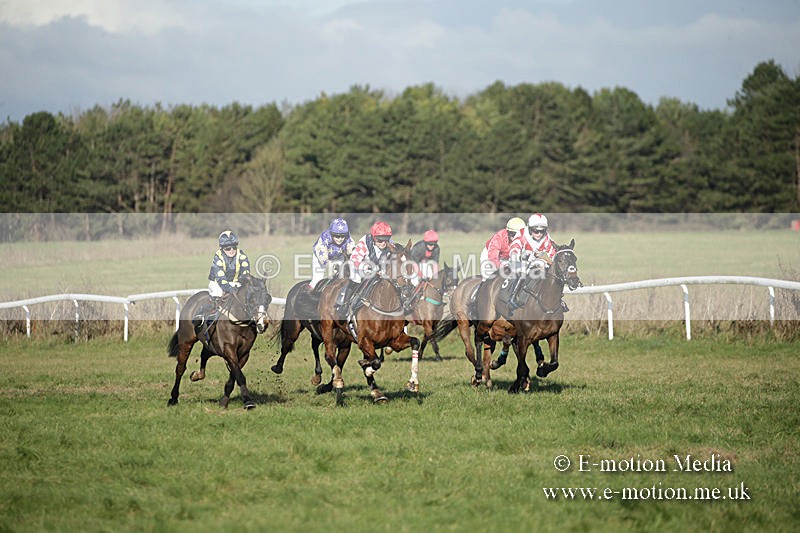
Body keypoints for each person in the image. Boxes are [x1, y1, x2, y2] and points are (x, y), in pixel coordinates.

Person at [194, 230, 251, 333]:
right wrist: (230, 289)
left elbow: (246, 273)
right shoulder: (218, 257)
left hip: (235, 282)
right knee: (218, 295)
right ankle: (202, 315)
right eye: (228, 248)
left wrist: (240, 285)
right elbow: (221, 279)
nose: (231, 250)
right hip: (217, 283)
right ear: (222, 248)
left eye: (234, 247)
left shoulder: (241, 255)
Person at [334, 221, 394, 317]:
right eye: (379, 240)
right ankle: (344, 304)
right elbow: (354, 259)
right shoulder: (365, 242)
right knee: (356, 279)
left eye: (386, 240)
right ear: (374, 237)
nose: (383, 243)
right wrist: (369, 268)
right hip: (361, 266)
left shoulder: (390, 244)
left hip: (379, 268)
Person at [506, 213, 557, 309]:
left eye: (542, 231)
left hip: (534, 262)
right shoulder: (521, 234)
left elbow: (553, 254)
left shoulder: (546, 238)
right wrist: (522, 256)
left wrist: (549, 260)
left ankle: (556, 300)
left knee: (549, 272)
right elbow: (513, 250)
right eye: (535, 230)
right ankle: (512, 297)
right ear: (529, 228)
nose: (539, 234)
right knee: (522, 271)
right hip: (518, 262)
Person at [310, 217, 355, 289]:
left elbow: (352, 251)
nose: (340, 239)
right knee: (317, 280)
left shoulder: (348, 237)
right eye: (337, 236)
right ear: (331, 233)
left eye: (342, 236)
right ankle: (308, 296)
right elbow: (322, 257)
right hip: (320, 258)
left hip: (338, 257)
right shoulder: (325, 237)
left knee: (342, 278)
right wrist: (332, 265)